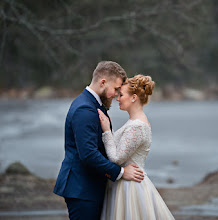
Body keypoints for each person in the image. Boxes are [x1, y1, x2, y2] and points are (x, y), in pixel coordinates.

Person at [53, 61, 145, 220]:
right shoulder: (85, 109)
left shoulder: (93, 105)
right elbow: (88, 154)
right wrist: (122, 172)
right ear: (103, 82)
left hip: (89, 186)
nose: (117, 95)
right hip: (82, 189)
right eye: (116, 89)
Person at [98, 74, 175, 219]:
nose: (118, 98)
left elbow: (116, 158)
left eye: (121, 95)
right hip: (124, 183)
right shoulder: (134, 122)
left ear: (133, 97)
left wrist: (107, 131)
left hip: (130, 188)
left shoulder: (137, 126)